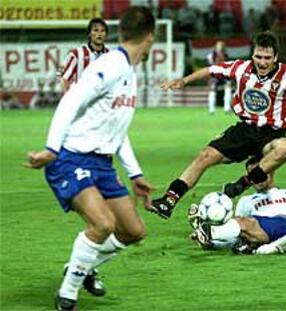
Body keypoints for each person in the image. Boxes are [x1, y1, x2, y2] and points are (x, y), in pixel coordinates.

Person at [25, 7, 155, 310]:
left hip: (101, 164)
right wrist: (52, 149)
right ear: (151, 36)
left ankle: (80, 267)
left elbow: (117, 129)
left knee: (134, 231)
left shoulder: (130, 73)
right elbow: (70, 100)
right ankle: (67, 294)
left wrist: (135, 175)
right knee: (103, 224)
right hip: (71, 158)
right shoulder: (111, 65)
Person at [150, 31, 286, 219]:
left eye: (267, 58)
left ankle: (243, 183)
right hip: (245, 130)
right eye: (258, 57)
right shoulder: (241, 68)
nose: (262, 62)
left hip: (272, 135)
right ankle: (168, 200)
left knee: (285, 148)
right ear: (252, 55)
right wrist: (183, 81)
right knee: (205, 156)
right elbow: (211, 70)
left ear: (275, 57)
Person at [60, 17, 109, 93]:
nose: (99, 34)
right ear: (89, 34)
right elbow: (65, 80)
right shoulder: (77, 53)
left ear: (106, 34)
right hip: (82, 101)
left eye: (102, 31)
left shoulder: (109, 55)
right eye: (95, 30)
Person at [206, 40, 232, 114]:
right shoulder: (211, 55)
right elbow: (209, 66)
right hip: (214, 75)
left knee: (228, 89)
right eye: (219, 46)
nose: (220, 47)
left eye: (222, 46)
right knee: (212, 91)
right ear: (216, 47)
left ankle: (227, 108)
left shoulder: (226, 55)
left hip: (224, 75)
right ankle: (211, 109)